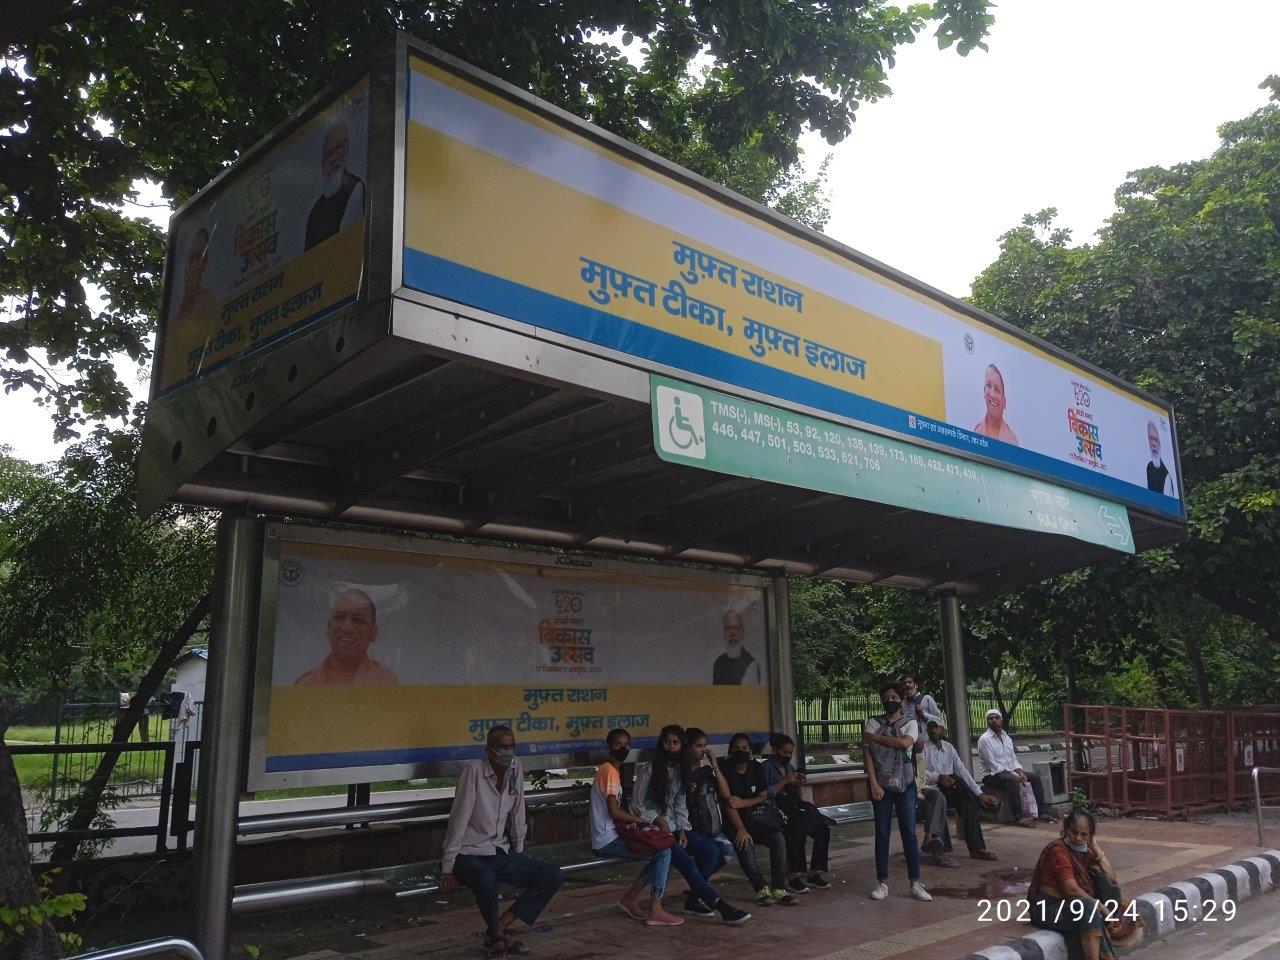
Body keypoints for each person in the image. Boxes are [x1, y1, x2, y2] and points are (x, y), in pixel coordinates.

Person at [440, 726, 564, 959]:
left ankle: (498, 928)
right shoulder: (474, 771)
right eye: (503, 747)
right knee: (487, 879)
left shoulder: (515, 768)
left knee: (552, 875)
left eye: (512, 746)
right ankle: (498, 937)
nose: (508, 752)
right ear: (489, 750)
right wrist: (447, 868)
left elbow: (518, 813)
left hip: (498, 850)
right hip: (467, 853)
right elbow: (459, 818)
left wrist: (518, 853)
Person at [629, 725, 751, 924]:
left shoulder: (679, 771)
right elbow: (637, 804)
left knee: (711, 849)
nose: (671, 747)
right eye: (667, 742)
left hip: (675, 828)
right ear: (661, 744)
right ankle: (722, 907)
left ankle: (694, 898)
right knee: (687, 864)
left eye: (675, 743)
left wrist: (683, 829)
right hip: (653, 830)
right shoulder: (649, 770)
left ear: (681, 746)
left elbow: (680, 803)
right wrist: (659, 820)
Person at [862, 684, 931, 902]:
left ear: (901, 700)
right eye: (885, 697)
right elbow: (868, 756)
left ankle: (915, 882)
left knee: (909, 832)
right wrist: (873, 783)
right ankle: (882, 882)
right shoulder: (873, 721)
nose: (889, 700)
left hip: (905, 783)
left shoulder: (910, 722)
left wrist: (877, 738)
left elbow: (904, 743)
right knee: (882, 833)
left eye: (893, 697)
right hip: (881, 784)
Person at [1028, 812, 1120, 960]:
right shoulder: (1058, 850)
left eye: (1084, 835)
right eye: (1073, 832)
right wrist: (1100, 906)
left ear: (1090, 836)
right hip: (1048, 908)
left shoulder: (1084, 851)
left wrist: (1095, 847)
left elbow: (1111, 878)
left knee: (1114, 895)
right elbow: (1070, 890)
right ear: (1066, 829)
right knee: (1090, 909)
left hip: (1072, 905)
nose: (1077, 838)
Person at [721, 733, 797, 906]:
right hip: (734, 822)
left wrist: (742, 803)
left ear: (750, 751)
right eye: (736, 749)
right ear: (730, 751)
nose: (741, 751)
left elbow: (762, 795)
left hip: (757, 817)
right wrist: (741, 829)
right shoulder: (725, 769)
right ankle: (761, 888)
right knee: (744, 843)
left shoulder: (755, 767)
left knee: (778, 839)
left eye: (745, 748)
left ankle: (779, 888)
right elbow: (727, 803)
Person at [920, 715, 999, 862]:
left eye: (936, 727)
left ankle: (977, 849)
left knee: (967, 803)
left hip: (952, 789)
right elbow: (920, 773)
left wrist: (979, 792)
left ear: (942, 729)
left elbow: (962, 771)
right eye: (930, 727)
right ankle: (981, 804)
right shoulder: (923, 748)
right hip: (932, 790)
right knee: (958, 783)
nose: (933, 730)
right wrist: (939, 777)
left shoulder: (949, 748)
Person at [763, 733, 831, 894]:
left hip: (793, 805)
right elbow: (765, 793)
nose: (788, 756)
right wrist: (784, 781)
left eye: (790, 753)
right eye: (785, 753)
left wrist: (798, 784)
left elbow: (796, 795)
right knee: (797, 829)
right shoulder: (766, 767)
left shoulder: (789, 767)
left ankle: (814, 872)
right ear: (775, 750)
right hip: (775, 807)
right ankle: (792, 876)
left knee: (823, 828)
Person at [294, 588, 398, 686]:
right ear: (328, 627)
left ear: (373, 633)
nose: (347, 628)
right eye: (339, 617)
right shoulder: (305, 684)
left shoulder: (386, 682)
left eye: (358, 620)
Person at [978, 708, 1051, 826]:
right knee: (1013, 780)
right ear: (987, 722)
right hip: (992, 775)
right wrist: (1015, 774)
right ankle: (1018, 816)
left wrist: (1020, 772)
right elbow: (993, 764)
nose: (994, 721)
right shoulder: (984, 740)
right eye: (990, 719)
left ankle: (1042, 811)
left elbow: (1013, 760)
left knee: (1034, 778)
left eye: (996, 718)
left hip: (1009, 772)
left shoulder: (1007, 738)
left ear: (1001, 720)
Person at [304, 118, 366, 251]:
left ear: (346, 148)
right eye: (328, 153)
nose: (333, 158)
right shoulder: (317, 208)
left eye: (337, 148)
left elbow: (347, 244)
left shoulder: (355, 189)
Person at [172, 227, 217, 328]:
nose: (195, 267)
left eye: (199, 258)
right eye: (191, 259)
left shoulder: (207, 302)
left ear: (205, 263)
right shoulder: (174, 320)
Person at [972, 363, 1020, 445]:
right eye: (988, 385)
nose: (992, 394)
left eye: (997, 390)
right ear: (984, 391)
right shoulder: (977, 432)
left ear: (1004, 402)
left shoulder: (1012, 439)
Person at [712, 609, 762, 685]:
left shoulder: (751, 666)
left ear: (743, 632)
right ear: (724, 633)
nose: (732, 633)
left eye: (736, 628)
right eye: (728, 628)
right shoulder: (719, 663)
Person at [1145, 421, 1176, 496]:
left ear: (1159, 445)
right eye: (1151, 439)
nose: (1153, 444)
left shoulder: (1166, 476)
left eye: (1155, 440)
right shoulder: (1149, 467)